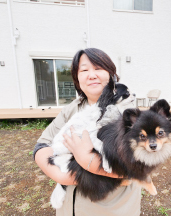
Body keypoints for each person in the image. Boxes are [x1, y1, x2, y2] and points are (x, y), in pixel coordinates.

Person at [33, 48, 141, 216]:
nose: (91, 75)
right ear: (77, 78)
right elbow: (41, 146)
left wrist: (87, 160)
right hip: (69, 209)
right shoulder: (72, 109)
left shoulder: (129, 113)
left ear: (111, 75)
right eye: (84, 70)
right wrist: (61, 177)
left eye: (98, 68)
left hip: (110, 210)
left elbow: (135, 166)